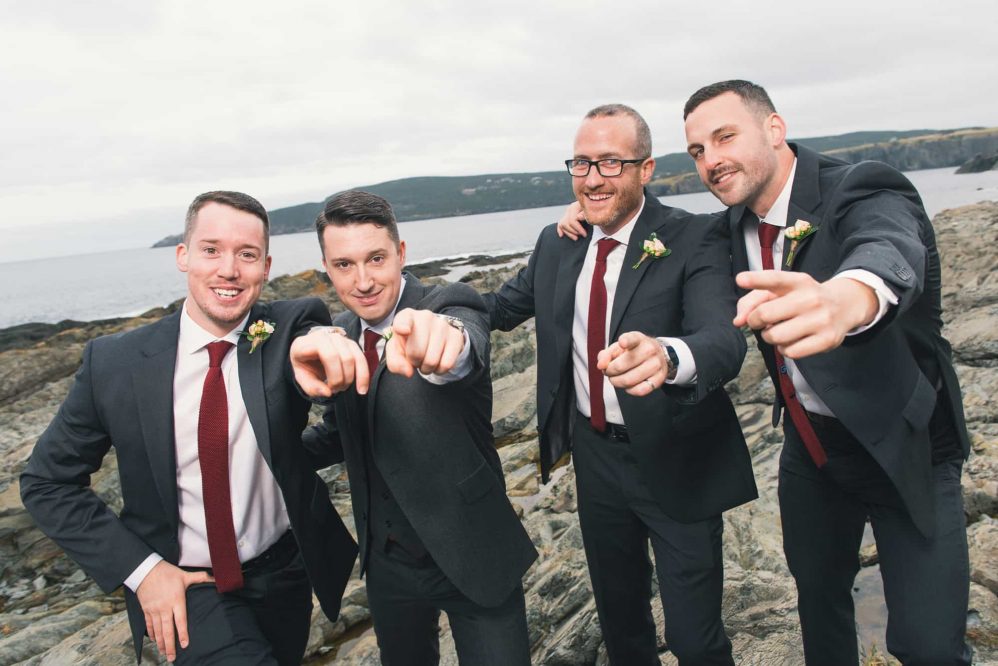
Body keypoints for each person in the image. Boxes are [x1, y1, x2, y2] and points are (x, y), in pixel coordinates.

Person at [680, 80, 970, 664]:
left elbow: (888, 243)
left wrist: (850, 297)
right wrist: (586, 215)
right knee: (819, 607)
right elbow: (663, 242)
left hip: (907, 443)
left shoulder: (859, 186)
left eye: (724, 137)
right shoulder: (724, 230)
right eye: (697, 152)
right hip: (812, 452)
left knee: (927, 645)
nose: (711, 161)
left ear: (775, 129)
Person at [20, 191, 358, 665]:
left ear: (265, 266)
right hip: (185, 587)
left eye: (247, 254)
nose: (229, 269)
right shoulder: (115, 363)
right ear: (183, 256)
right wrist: (143, 572)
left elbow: (310, 347)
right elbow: (47, 482)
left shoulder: (288, 327)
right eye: (211, 250)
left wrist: (324, 344)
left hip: (286, 573)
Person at [485, 105, 756, 665]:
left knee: (695, 636)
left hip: (678, 456)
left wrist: (667, 355)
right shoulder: (559, 241)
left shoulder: (695, 236)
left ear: (646, 169)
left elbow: (723, 342)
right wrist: (407, 303)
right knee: (621, 623)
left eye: (611, 162)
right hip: (595, 458)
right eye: (582, 163)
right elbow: (498, 308)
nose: (592, 178)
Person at [289, 190, 537, 666]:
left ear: (401, 254)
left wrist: (447, 344)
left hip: (474, 549)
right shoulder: (337, 333)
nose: (362, 281)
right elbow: (342, 432)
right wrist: (264, 452)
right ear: (326, 267)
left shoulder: (447, 302)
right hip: (387, 567)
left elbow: (464, 344)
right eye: (344, 265)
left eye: (376, 259)